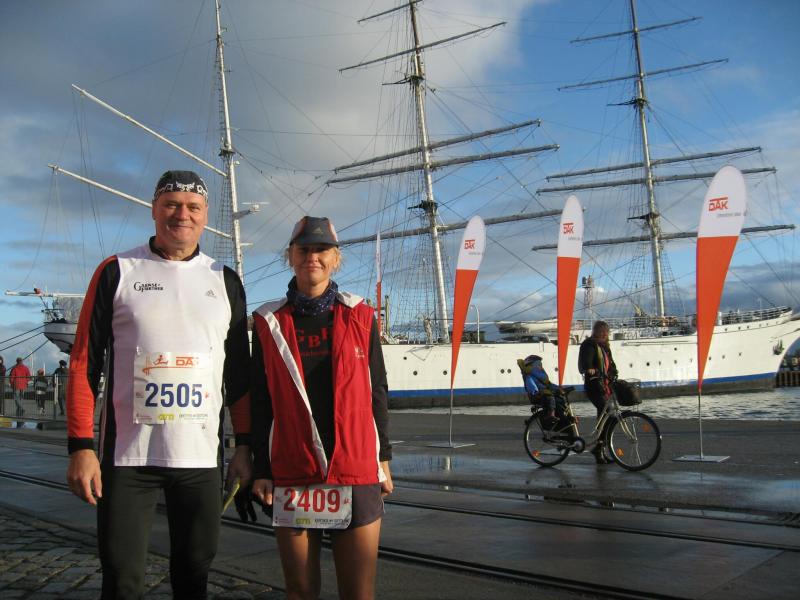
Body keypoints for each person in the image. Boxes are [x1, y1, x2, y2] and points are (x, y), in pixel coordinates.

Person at [65, 170, 252, 599]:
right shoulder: (116, 271)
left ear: (205, 216)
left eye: (193, 207)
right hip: (129, 460)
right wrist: (81, 447)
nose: (181, 214)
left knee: (193, 578)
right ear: (154, 210)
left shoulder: (224, 279)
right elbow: (83, 363)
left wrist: (245, 445)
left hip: (199, 459)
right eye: (171, 204)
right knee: (122, 580)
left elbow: (239, 375)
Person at [250, 216, 393, 600]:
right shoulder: (267, 322)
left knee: (358, 592)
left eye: (321, 250)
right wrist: (261, 468)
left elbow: (377, 390)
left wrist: (383, 458)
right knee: (299, 590)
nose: (312, 256)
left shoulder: (361, 315)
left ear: (335, 259)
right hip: (293, 467)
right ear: (290, 256)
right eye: (304, 249)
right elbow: (261, 399)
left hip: (355, 466)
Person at [578, 321, 618, 464]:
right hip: (594, 386)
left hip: (605, 386)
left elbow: (611, 364)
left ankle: (600, 448)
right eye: (604, 332)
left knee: (606, 417)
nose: (606, 334)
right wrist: (591, 369)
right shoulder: (589, 345)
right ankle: (598, 448)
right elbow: (586, 363)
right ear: (599, 332)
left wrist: (614, 373)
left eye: (607, 332)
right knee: (607, 414)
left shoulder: (605, 346)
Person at [517, 354, 563, 428]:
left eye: (540, 364)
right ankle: (551, 415)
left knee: (559, 399)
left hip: (543, 393)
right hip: (538, 395)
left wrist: (558, 388)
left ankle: (560, 417)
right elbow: (531, 386)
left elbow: (548, 384)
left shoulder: (539, 375)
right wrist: (535, 392)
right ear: (532, 365)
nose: (540, 366)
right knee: (550, 397)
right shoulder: (529, 376)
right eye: (538, 364)